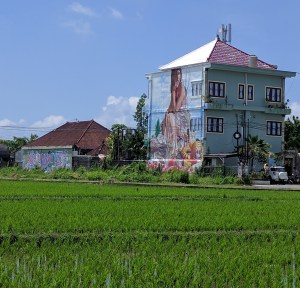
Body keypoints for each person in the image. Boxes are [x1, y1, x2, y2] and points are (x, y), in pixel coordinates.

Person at [161, 68, 189, 158]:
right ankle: (168, 144)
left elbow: (176, 108)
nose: (177, 76)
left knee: (170, 117)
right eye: (174, 74)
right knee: (165, 120)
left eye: (179, 74)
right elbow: (171, 107)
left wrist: (173, 91)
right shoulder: (174, 88)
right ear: (171, 77)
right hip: (174, 114)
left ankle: (174, 147)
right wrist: (173, 91)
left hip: (182, 114)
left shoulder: (182, 89)